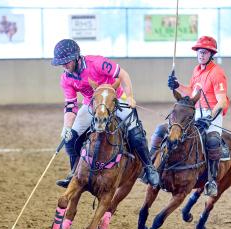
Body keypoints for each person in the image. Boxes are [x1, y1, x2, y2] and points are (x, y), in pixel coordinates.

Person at [51, 39, 159, 188]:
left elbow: (123, 75)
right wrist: (67, 127)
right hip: (92, 103)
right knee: (70, 138)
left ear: (76, 57)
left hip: (115, 98)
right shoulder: (66, 78)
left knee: (135, 130)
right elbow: (70, 106)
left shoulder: (97, 63)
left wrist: (130, 97)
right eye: (61, 63)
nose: (64, 65)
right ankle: (74, 172)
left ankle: (149, 168)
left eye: (66, 61)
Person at [166, 35, 229, 196]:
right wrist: (177, 85)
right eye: (200, 52)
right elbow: (190, 92)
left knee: (213, 141)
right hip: (195, 112)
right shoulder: (196, 70)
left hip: (212, 114)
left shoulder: (217, 73)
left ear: (211, 55)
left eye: (205, 53)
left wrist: (210, 118)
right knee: (175, 132)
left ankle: (212, 181)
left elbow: (221, 102)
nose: (201, 55)